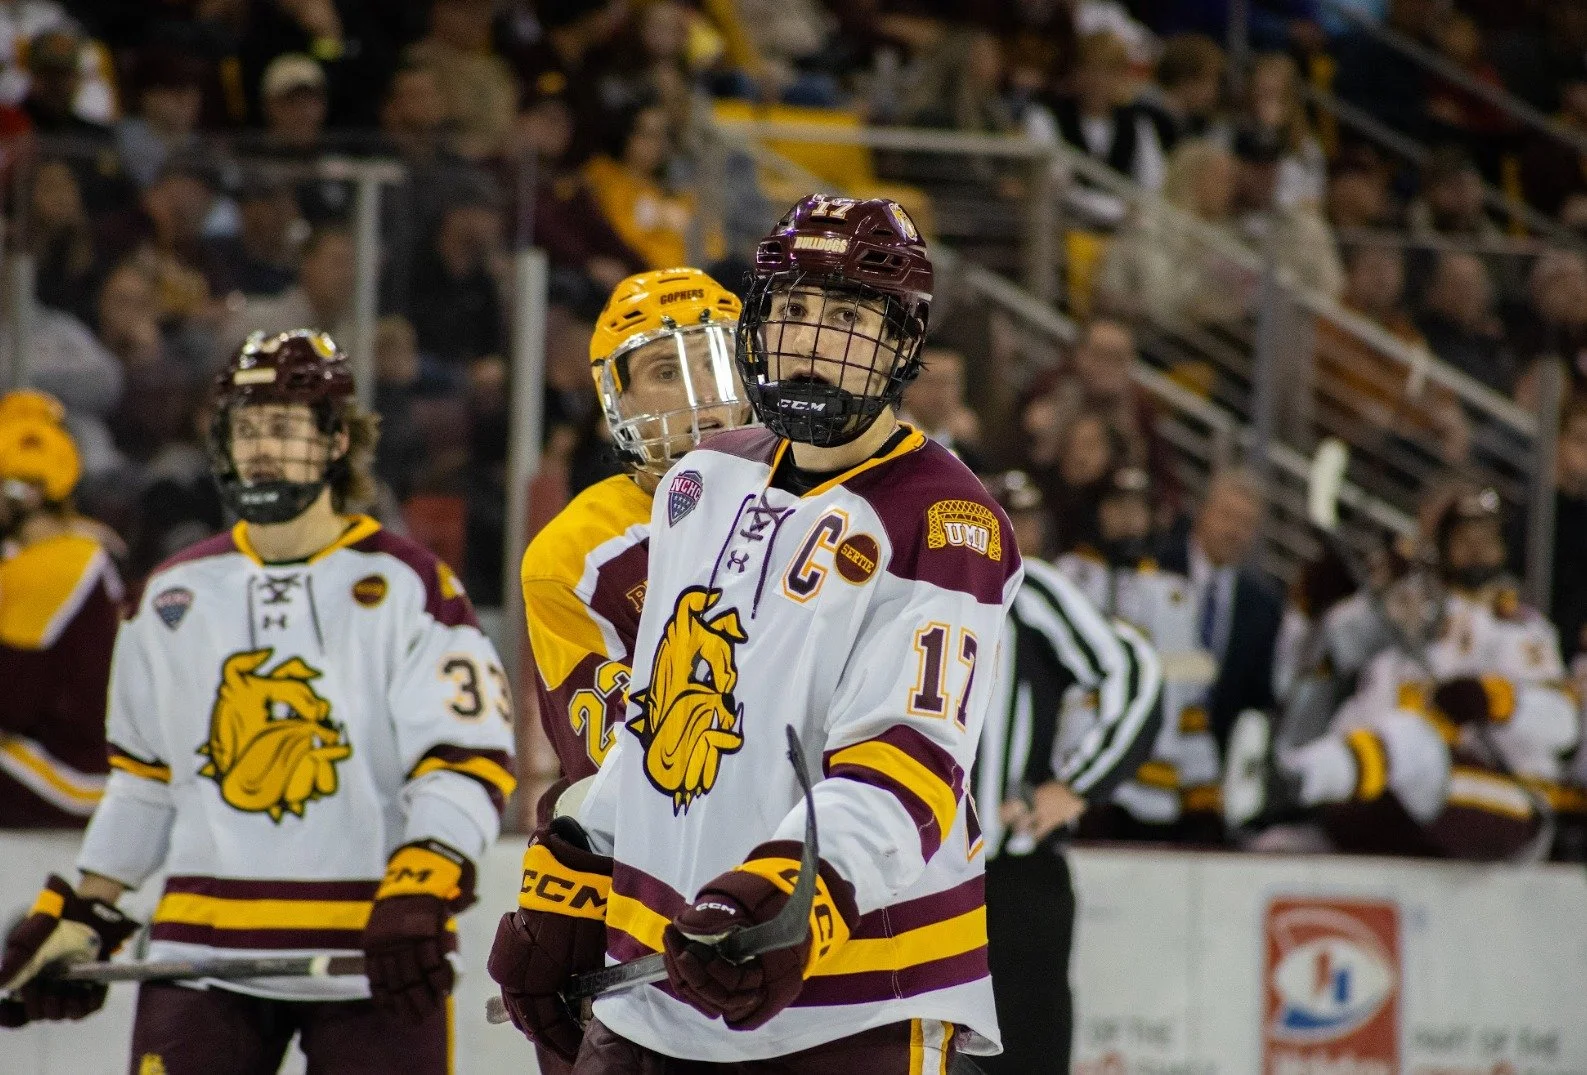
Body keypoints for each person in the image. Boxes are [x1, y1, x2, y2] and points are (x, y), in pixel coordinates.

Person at [489, 195, 1021, 1068]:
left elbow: (910, 761)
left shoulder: (948, 518)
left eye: (847, 314)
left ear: (902, 345)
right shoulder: (701, 481)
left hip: (855, 1003)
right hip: (655, 988)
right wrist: (580, 863)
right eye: (796, 309)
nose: (812, 338)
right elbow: (662, 717)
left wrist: (786, 891)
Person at [0, 331, 516, 1073]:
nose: (260, 447)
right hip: (199, 947)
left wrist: (424, 881)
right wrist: (88, 907)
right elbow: (144, 782)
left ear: (337, 438)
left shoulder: (412, 586)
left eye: (282, 426)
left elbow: (464, 761)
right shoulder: (171, 595)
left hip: (371, 943)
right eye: (245, 428)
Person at [510, 267, 750, 1071]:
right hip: (643, 902)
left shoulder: (827, 507)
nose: (699, 393)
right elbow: (631, 768)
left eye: (715, 360)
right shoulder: (576, 554)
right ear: (615, 403)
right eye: (662, 371)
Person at [1234, 488, 1579, 862]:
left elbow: (1564, 725)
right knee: (1278, 846)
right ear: (1442, 547)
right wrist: (1347, 598)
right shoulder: (1411, 620)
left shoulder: (1522, 630)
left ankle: (1294, 781)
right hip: (1422, 805)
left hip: (1510, 802)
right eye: (1465, 540)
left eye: (1487, 540)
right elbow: (1315, 674)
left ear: (1504, 548)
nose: (1476, 550)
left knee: (1414, 736)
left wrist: (1493, 699)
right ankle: (1285, 780)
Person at [977, 470, 1161, 1073]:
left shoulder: (1029, 592)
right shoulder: (906, 585)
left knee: (1025, 1052)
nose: (1011, 531)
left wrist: (1077, 785)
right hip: (915, 879)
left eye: (1024, 520)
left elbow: (1133, 673)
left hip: (1015, 877)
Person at [1059, 467, 1222, 845]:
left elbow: (1188, 704)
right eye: (1118, 507)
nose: (1128, 519)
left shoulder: (1176, 595)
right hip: (1077, 784)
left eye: (1137, 508)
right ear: (1099, 512)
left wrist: (1203, 795)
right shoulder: (1069, 579)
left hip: (1154, 791)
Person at [0, 390, 122, 826]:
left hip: (73, 772)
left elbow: (12, 702)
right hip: (59, 756)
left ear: (27, 492)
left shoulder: (57, 563)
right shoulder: (42, 554)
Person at [1159, 469, 1285, 750]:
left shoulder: (1263, 608)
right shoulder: (1157, 565)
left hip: (1209, 761)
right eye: (1226, 515)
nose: (1234, 531)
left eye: (1246, 523)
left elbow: (1256, 699)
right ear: (1203, 511)